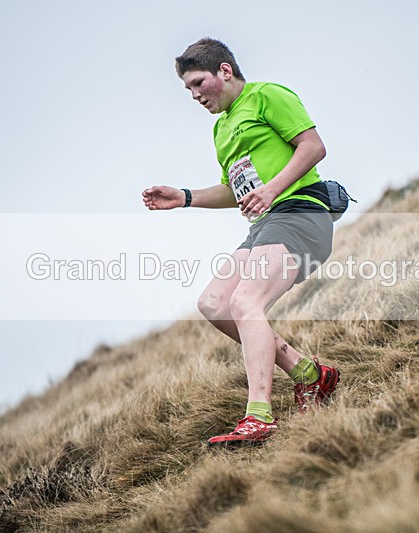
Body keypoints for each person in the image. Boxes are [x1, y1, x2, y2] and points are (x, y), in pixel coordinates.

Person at [142, 37, 340, 446]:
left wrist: (272, 190)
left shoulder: (267, 95)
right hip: (266, 226)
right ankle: (309, 374)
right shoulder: (221, 128)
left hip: (301, 213)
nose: (195, 95)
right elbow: (234, 190)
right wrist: (185, 197)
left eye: (199, 83)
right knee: (213, 303)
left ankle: (259, 416)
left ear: (225, 72)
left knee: (245, 301)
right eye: (188, 89)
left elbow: (313, 147)